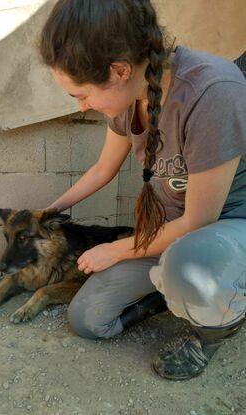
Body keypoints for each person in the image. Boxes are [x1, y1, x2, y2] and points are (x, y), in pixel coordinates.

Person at [39, 0, 246, 380]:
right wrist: (46, 213)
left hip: (223, 231)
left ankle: (217, 325)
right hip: (169, 234)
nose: (83, 107)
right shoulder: (127, 97)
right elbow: (103, 169)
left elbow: (198, 221)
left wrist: (115, 250)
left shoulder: (213, 90)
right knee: (88, 319)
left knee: (188, 265)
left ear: (119, 70)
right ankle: (169, 292)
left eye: (81, 95)